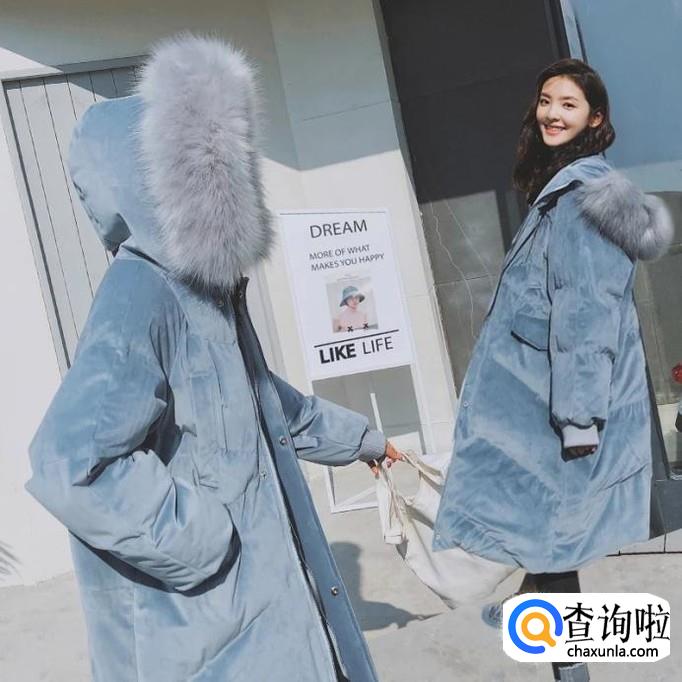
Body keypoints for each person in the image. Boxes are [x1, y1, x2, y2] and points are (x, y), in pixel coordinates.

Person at [26, 34, 401, 682]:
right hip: (213, 638)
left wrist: (365, 440)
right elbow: (73, 462)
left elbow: (272, 408)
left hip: (271, 620)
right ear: (155, 180)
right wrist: (204, 540)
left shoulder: (209, 294)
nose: (230, 180)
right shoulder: (142, 293)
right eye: (208, 163)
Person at [431, 59, 673, 681]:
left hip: (558, 416)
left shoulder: (583, 199)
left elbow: (586, 313)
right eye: (546, 100)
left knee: (551, 552)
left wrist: (579, 419)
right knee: (550, 554)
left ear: (595, 119)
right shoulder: (562, 191)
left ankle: (555, 644)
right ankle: (542, 629)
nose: (552, 114)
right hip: (544, 407)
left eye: (569, 104)